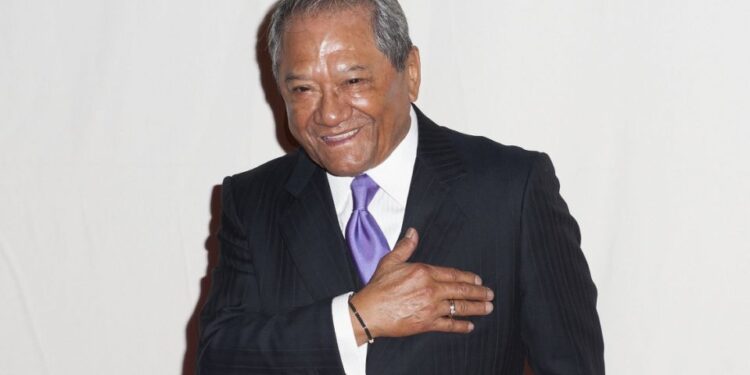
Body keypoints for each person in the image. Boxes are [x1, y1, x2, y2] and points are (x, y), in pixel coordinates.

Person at [197, 0, 604, 374]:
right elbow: (218, 359)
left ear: (410, 73)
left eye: (353, 80)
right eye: (303, 89)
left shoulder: (510, 190)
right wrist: (356, 319)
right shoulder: (253, 203)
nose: (330, 113)